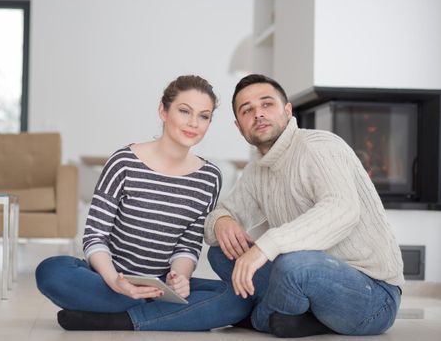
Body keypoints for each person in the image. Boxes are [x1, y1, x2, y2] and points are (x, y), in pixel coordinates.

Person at [35, 75, 252, 331]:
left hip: (161, 285)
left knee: (239, 297)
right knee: (51, 271)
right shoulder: (124, 162)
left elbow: (187, 245)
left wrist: (180, 278)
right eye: (184, 111)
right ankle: (165, 315)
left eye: (204, 116)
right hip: (107, 279)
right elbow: (94, 236)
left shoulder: (209, 177)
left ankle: (120, 319)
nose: (194, 123)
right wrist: (115, 280)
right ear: (163, 110)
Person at [204, 74, 404, 337]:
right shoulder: (257, 171)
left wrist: (266, 246)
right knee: (221, 252)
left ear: (287, 110)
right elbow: (218, 221)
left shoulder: (319, 146)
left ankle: (258, 317)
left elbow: (342, 209)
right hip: (306, 277)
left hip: (373, 296)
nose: (258, 114)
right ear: (239, 126)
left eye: (267, 104)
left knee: (294, 265)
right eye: (247, 110)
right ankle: (295, 316)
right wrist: (222, 221)